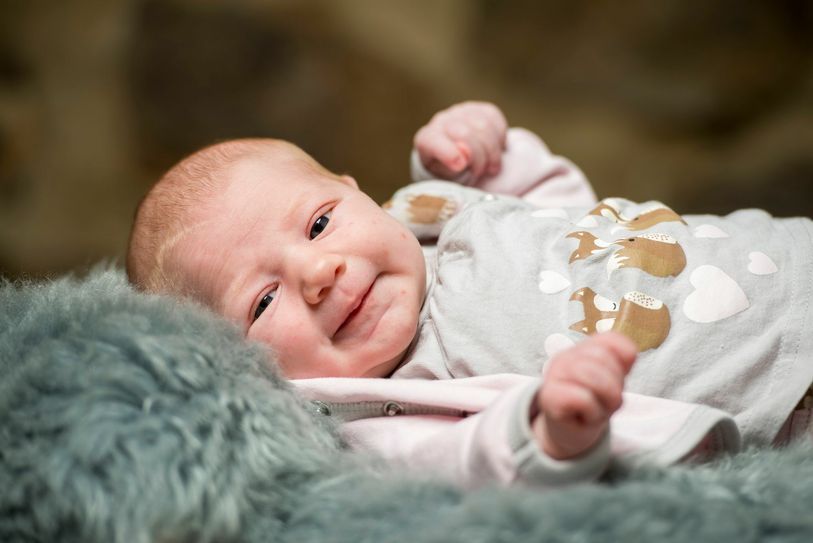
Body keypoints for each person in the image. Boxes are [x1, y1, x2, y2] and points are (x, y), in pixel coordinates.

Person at [127, 102, 812, 488]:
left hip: (782, 252)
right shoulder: (380, 409)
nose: (317, 272)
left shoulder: (433, 212)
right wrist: (550, 431)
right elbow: (468, 461)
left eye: (318, 223)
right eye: (262, 301)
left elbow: (563, 207)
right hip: (777, 400)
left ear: (353, 189)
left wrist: (481, 151)